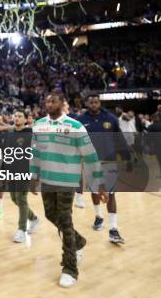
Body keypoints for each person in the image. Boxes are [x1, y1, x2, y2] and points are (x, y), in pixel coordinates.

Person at [30, 91, 108, 288]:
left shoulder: (75, 126)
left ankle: (70, 268)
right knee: (50, 215)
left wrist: (99, 183)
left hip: (67, 182)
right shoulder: (39, 125)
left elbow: (90, 155)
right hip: (47, 180)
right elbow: (35, 152)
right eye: (47, 100)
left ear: (62, 103)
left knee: (65, 221)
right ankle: (78, 241)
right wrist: (33, 176)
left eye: (53, 100)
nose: (49, 103)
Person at [76, 94, 129, 243]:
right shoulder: (80, 121)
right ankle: (99, 216)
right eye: (91, 102)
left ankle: (113, 229)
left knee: (111, 193)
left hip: (109, 161)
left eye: (96, 102)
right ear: (87, 103)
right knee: (94, 191)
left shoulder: (110, 118)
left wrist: (126, 156)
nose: (93, 104)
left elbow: (119, 139)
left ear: (99, 103)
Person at [2, 110, 39, 243]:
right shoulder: (9, 133)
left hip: (25, 171)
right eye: (15, 116)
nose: (16, 118)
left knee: (21, 199)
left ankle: (22, 230)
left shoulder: (30, 133)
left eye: (20, 116)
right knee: (14, 199)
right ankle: (33, 218)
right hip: (11, 171)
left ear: (25, 119)